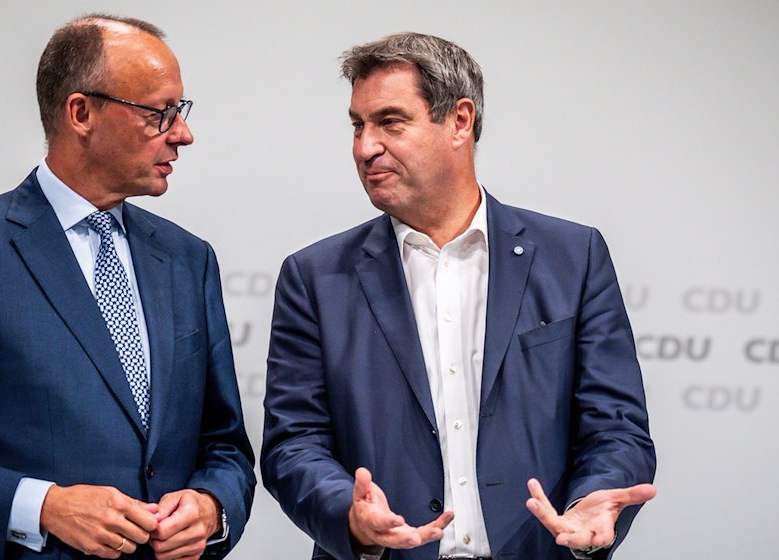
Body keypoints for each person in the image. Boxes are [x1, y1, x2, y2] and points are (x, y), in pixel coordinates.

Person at [0, 15, 254, 560]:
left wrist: (212, 508)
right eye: (160, 113)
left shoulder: (188, 259)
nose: (182, 133)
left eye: (180, 112)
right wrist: (41, 507)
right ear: (81, 113)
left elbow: (225, 445)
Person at [261, 32, 655, 560]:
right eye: (357, 125)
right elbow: (293, 443)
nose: (364, 147)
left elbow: (616, 425)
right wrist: (349, 516)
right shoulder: (314, 276)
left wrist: (592, 500)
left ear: (460, 121)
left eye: (390, 122)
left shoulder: (573, 256)